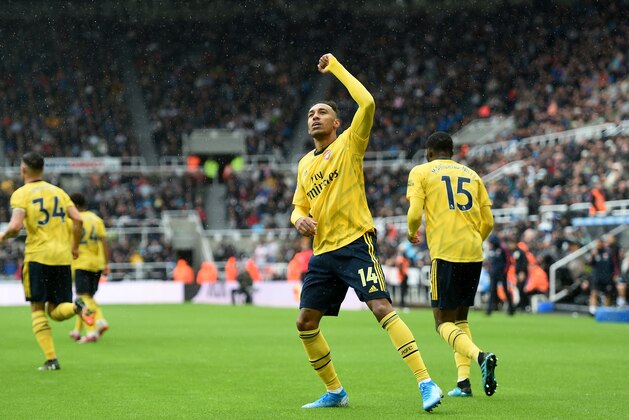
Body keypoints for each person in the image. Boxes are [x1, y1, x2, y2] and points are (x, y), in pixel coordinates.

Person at [291, 53, 442, 413]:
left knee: (379, 307)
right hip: (324, 253)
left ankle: (426, 381)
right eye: (311, 113)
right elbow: (298, 206)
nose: (315, 116)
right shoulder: (304, 164)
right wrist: (297, 219)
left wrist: (336, 68)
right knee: (305, 322)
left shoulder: (349, 144)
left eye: (322, 112)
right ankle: (335, 392)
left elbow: (368, 101)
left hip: (356, 242)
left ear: (337, 123)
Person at [406, 131, 498, 398]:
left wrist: (412, 231)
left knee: (441, 323)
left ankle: (481, 356)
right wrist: (473, 240)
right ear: (453, 152)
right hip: (473, 253)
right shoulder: (473, 175)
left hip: (445, 253)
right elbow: (489, 222)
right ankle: (463, 383)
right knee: (460, 318)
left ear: (429, 152)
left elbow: (414, 213)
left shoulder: (422, 171)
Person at [0, 152, 93, 371]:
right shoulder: (59, 192)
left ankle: (51, 359)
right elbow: (78, 219)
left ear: (23, 170)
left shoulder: (21, 194)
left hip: (38, 257)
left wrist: (3, 237)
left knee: (38, 309)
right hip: (62, 258)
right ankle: (76, 307)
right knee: (57, 310)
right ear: (42, 169)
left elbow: (15, 227)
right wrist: (74, 246)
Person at [67, 192, 111, 344]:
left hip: (81, 262)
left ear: (74, 205)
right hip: (97, 263)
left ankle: (96, 324)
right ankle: (77, 330)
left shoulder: (73, 220)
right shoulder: (96, 219)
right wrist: (106, 263)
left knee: (82, 298)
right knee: (87, 298)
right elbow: (104, 241)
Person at [486, 236, 515, 316]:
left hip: (502, 274)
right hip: (493, 274)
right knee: (492, 291)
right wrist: (490, 271)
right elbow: (490, 262)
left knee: (505, 290)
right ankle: (489, 310)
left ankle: (511, 309)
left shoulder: (503, 250)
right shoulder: (491, 250)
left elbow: (508, 261)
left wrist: (504, 271)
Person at [587, 239, 615, 315]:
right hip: (597, 277)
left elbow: (613, 265)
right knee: (594, 292)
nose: (598, 245)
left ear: (603, 243)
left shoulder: (608, 252)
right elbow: (589, 265)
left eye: (600, 243)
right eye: (597, 243)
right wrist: (592, 255)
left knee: (607, 294)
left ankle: (605, 311)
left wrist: (613, 275)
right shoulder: (594, 253)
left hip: (607, 277)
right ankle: (592, 311)